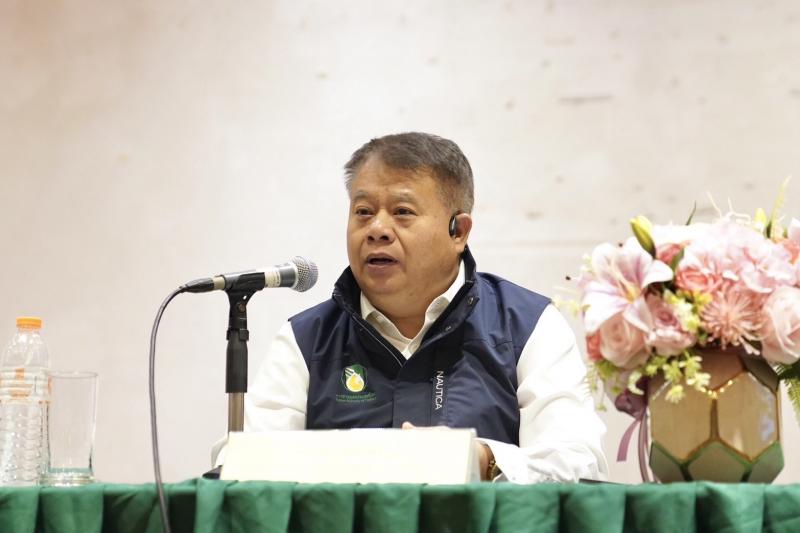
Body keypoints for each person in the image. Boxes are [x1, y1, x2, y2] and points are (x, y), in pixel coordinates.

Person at [227, 132, 608, 482]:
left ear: (459, 231)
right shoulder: (307, 338)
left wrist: (483, 460)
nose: (377, 229)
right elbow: (243, 466)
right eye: (363, 212)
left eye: (402, 212)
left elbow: (579, 462)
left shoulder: (526, 325)